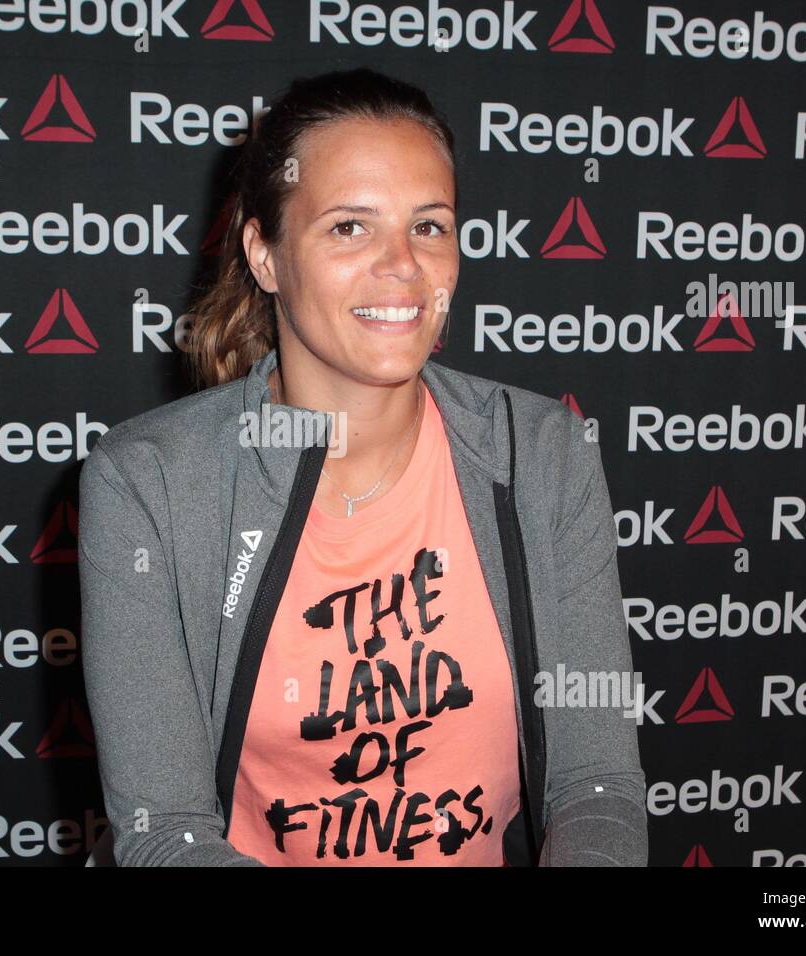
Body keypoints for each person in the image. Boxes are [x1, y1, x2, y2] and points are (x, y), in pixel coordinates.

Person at [78, 67, 648, 866]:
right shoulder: (148, 483)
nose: (403, 265)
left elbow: (597, 786)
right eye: (349, 227)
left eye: (430, 225)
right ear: (265, 255)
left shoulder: (542, 453)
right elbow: (165, 835)